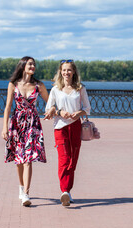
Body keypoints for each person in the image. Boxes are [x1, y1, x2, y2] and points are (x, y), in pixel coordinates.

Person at [2, 56, 53, 206]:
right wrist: (4, 127)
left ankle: (26, 194)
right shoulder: (13, 85)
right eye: (30, 64)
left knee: (28, 159)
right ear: (23, 66)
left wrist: (51, 110)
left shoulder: (39, 85)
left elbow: (50, 103)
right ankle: (21, 187)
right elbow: (7, 107)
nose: (33, 66)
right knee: (19, 160)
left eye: (34, 64)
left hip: (32, 123)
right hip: (17, 124)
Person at [44, 59, 91, 206]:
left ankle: (68, 191)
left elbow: (87, 108)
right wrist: (59, 112)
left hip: (75, 126)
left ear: (74, 72)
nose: (66, 73)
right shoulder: (55, 89)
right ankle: (64, 191)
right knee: (64, 159)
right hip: (60, 128)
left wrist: (79, 113)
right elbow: (47, 110)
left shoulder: (80, 88)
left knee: (73, 160)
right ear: (60, 72)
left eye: (69, 70)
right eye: (64, 70)